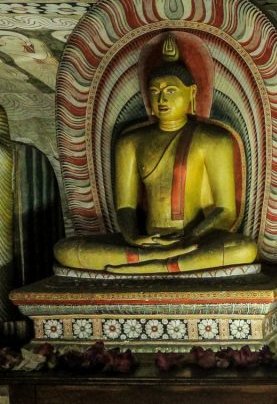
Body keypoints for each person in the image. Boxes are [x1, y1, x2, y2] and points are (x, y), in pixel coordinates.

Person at [54, 35, 257, 274]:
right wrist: (133, 237)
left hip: (194, 241)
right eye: (155, 91)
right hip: (146, 243)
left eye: (171, 90)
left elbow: (225, 211)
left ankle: (149, 265)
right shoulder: (130, 142)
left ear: (191, 94)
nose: (162, 99)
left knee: (244, 249)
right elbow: (125, 208)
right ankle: (164, 263)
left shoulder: (213, 139)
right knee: (65, 249)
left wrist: (190, 237)